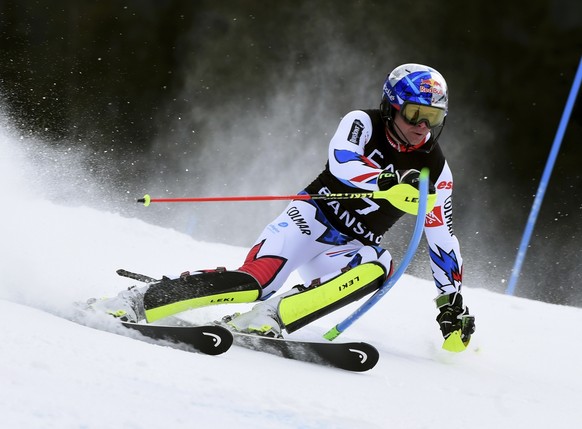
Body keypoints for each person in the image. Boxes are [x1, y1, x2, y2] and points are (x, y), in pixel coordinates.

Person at [92, 63, 475, 346]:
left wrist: (450, 301)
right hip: (308, 219)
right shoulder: (363, 123)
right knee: (255, 282)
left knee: (382, 267)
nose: (422, 126)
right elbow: (342, 161)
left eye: (433, 117)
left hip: (346, 247)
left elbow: (442, 239)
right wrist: (385, 182)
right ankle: (138, 301)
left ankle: (269, 318)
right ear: (392, 106)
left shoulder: (435, 171)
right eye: (414, 114)